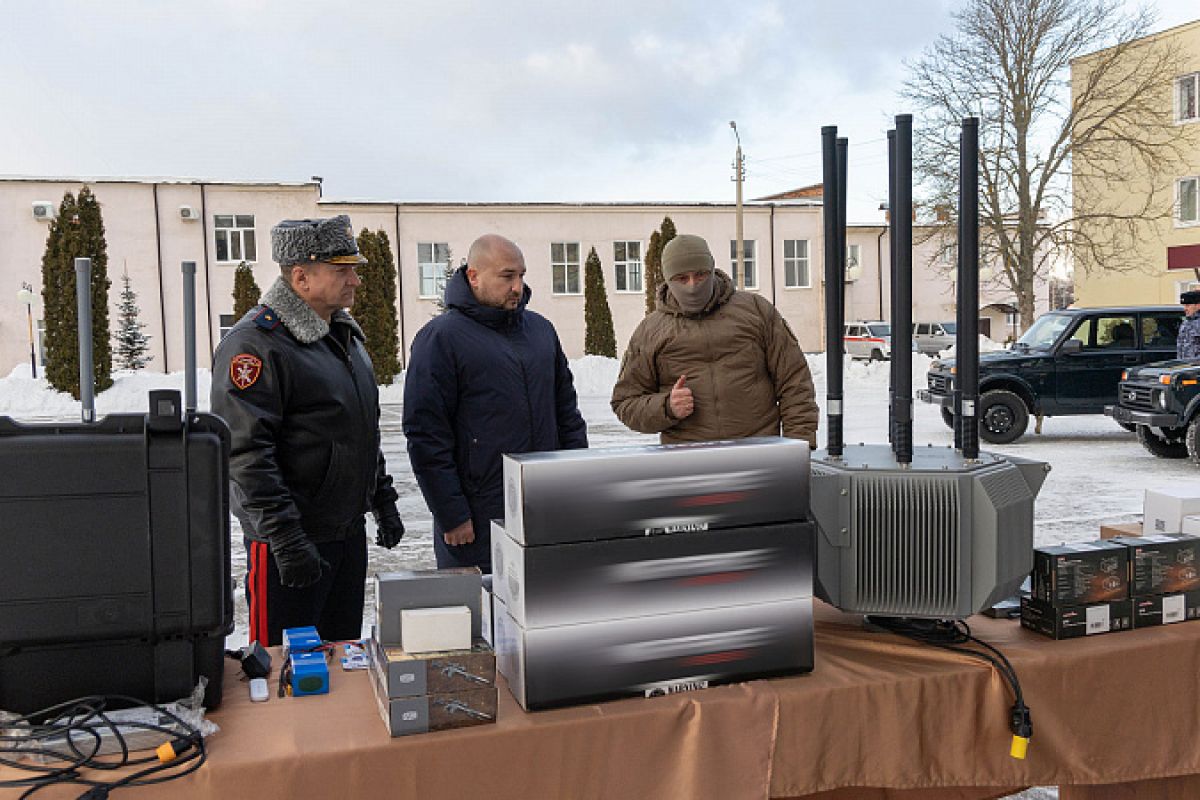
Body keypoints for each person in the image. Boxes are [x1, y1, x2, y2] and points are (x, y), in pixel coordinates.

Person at [211, 214, 405, 646]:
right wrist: (286, 539)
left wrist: (382, 498)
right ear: (301, 277)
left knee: (339, 664)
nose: (355, 279)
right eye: (342, 270)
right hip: (290, 547)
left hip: (344, 536)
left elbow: (358, 431)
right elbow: (245, 454)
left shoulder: (343, 337)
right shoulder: (256, 345)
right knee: (283, 670)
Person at [404, 234, 587, 572]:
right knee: (482, 618)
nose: (517, 286)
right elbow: (426, 435)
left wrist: (574, 484)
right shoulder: (441, 338)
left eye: (521, 275)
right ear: (473, 276)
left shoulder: (541, 331)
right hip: (477, 520)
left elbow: (567, 415)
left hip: (544, 506)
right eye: (507, 276)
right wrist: (452, 514)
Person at [612, 233, 818, 447]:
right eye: (682, 278)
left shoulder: (756, 311)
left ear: (712, 270)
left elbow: (794, 382)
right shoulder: (650, 332)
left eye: (700, 275)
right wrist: (666, 407)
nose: (692, 285)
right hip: (690, 461)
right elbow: (626, 403)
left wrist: (799, 445)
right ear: (668, 279)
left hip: (758, 452)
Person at [1178, 290, 1200, 359]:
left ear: (1198, 305)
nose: (1185, 309)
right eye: (1184, 305)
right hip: (1184, 367)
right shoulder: (1185, 323)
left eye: (1188, 305)